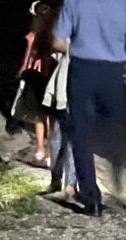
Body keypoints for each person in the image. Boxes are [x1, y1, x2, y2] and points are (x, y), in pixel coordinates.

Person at [52, 0, 126, 217]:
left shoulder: (74, 0)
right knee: (115, 125)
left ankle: (91, 198)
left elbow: (58, 42)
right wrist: (124, 65)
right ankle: (117, 172)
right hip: (112, 72)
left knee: (80, 133)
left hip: (82, 70)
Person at [13, 1, 56, 163]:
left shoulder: (37, 33)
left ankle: (41, 148)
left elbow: (29, 54)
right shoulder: (51, 31)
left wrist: (23, 69)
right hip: (46, 73)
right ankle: (47, 149)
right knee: (47, 114)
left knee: (40, 114)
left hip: (38, 73)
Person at [43, 47, 77, 198]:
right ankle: (64, 182)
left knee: (63, 139)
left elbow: (56, 49)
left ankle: (66, 183)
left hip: (69, 89)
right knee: (61, 139)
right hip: (69, 87)